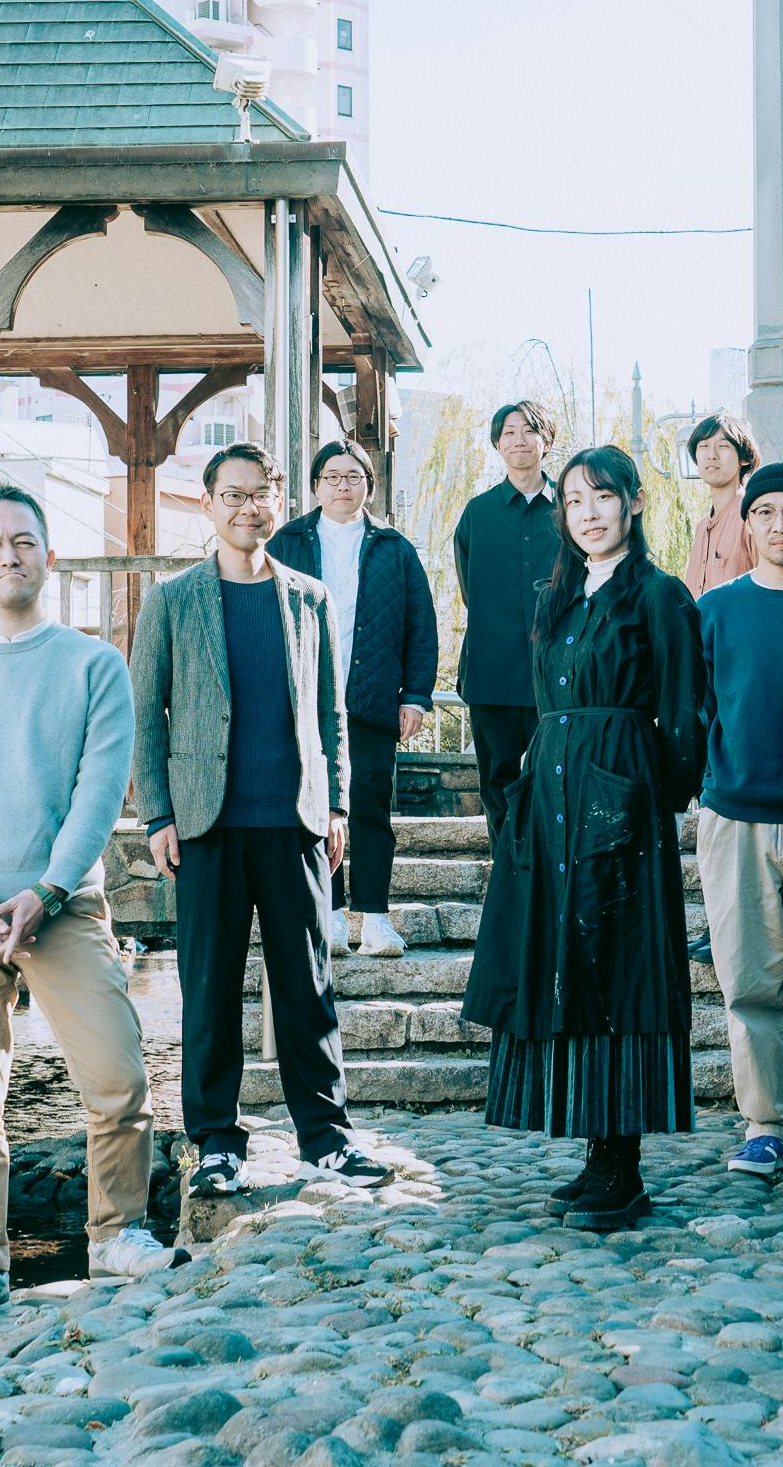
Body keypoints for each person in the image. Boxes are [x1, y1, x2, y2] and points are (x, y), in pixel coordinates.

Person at [0, 485, 172, 1317]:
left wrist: (48, 890)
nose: (8, 555)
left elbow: (101, 789)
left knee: (118, 1075)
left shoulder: (95, 665)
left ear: (49, 558)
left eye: (23, 541)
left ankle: (116, 1231)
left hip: (62, 903)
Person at [131, 443, 395, 1197]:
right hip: (206, 823)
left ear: (279, 502)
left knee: (308, 986)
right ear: (209, 504)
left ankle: (327, 1139)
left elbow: (330, 713)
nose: (250, 507)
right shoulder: (172, 600)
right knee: (210, 991)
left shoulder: (310, 597)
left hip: (295, 820)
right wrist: (157, 812)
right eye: (234, 495)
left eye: (262, 494)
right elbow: (145, 713)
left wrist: (336, 803)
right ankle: (216, 1142)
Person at [461, 445, 704, 1232]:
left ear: (633, 502)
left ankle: (623, 1167)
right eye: (573, 500)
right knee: (563, 962)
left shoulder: (659, 596)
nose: (588, 512)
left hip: (620, 797)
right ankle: (596, 1152)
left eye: (602, 496)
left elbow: (686, 715)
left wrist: (651, 799)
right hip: (554, 795)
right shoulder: (557, 597)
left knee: (619, 968)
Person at [268, 442, 439, 961]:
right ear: (316, 485)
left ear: (369, 484)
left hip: (371, 699)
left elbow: (420, 625)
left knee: (370, 807)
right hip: (303, 702)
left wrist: (415, 697)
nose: (343, 485)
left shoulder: (393, 547)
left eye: (353, 476)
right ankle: (333, 914)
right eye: (332, 476)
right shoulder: (287, 541)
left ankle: (377, 919)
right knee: (312, 808)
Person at [453, 400, 560, 837]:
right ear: (497, 444)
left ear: (545, 440)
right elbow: (469, 590)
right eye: (509, 432)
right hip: (492, 668)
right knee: (497, 779)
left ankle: (550, 866)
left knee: (554, 777)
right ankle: (506, 866)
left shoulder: (571, 507)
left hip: (555, 669)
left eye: (529, 430)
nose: (519, 440)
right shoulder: (478, 513)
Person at [681, 412, 760, 599]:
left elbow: (772, 589)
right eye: (703, 446)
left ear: (743, 457)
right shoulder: (701, 527)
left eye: (723, 446)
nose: (711, 455)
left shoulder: (753, 517)